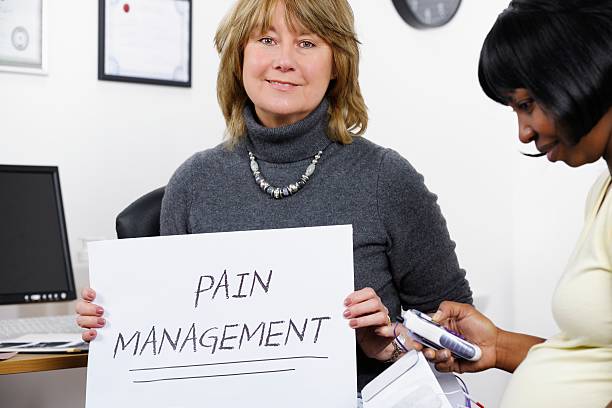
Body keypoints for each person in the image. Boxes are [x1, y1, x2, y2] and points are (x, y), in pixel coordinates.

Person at [75, 0, 472, 392]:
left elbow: (458, 331)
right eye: (266, 39)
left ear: (338, 64)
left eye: (307, 43)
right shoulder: (193, 183)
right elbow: (167, 337)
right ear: (239, 55)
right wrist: (113, 323)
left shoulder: (386, 178)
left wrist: (391, 342)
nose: (284, 60)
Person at [407, 1, 611, 406]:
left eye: (526, 104)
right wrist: (498, 346)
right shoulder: (602, 194)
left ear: (581, 72)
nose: (523, 132)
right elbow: (597, 361)